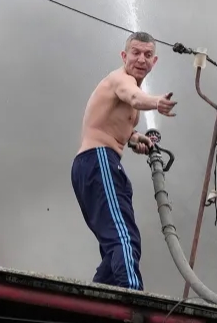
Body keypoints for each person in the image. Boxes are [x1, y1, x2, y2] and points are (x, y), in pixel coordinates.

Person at [71, 31, 178, 290]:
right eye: (136, 53)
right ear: (124, 56)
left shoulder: (130, 91)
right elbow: (133, 97)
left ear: (154, 61)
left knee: (120, 243)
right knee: (124, 239)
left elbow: (116, 125)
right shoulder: (121, 80)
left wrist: (134, 138)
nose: (141, 59)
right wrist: (156, 103)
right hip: (98, 161)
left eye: (147, 55)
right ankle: (134, 300)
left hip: (99, 164)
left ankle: (96, 303)